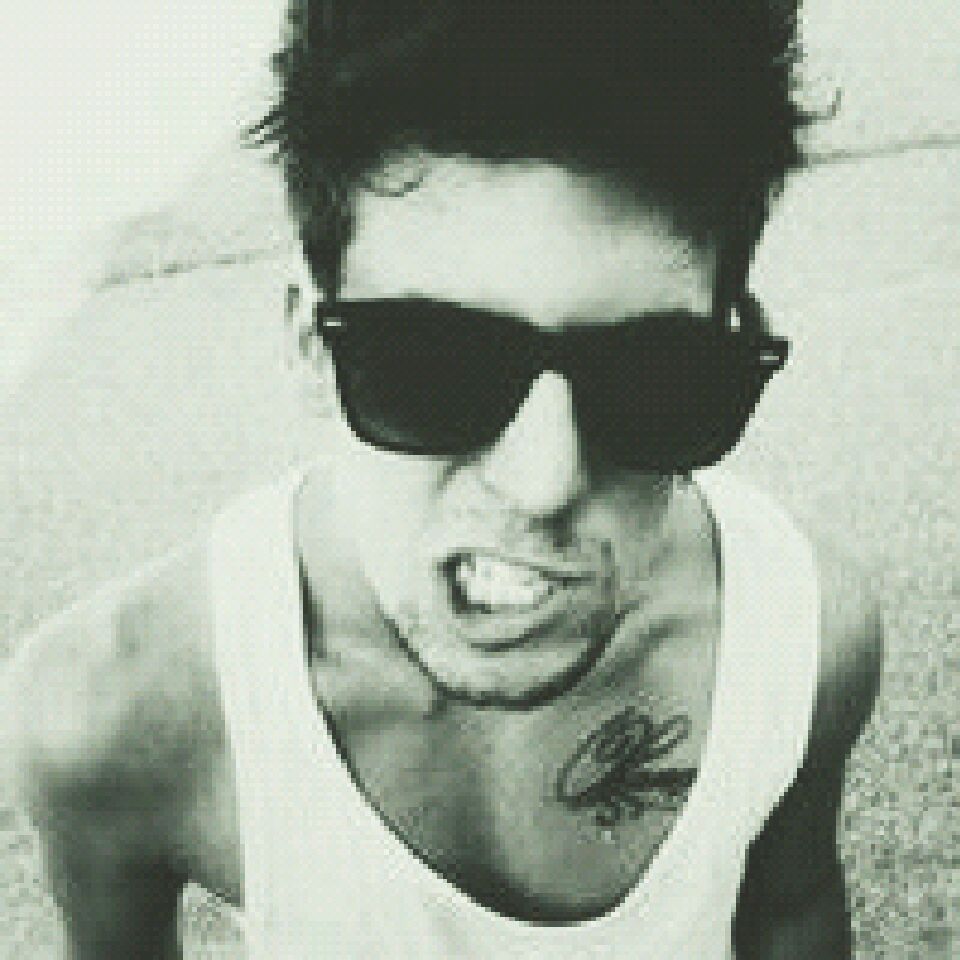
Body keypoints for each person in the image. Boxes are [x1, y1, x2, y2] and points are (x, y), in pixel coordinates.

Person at [4, 2, 883, 957]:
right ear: (309, 343)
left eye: (651, 377)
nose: (543, 481)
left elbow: (792, 907)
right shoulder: (111, 713)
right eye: (432, 368)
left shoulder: (798, 640)